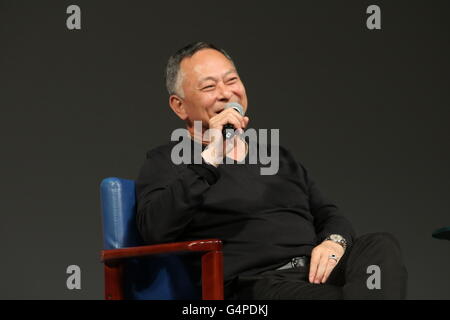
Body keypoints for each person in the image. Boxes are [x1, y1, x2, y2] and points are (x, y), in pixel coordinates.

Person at [135, 42, 408, 299]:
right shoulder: (167, 159)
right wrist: (212, 156)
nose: (226, 93)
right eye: (209, 86)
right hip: (258, 284)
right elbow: (155, 229)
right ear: (179, 106)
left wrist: (333, 243)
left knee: (379, 246)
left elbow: (329, 215)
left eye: (231, 80)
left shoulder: (276, 156)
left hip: (315, 272)